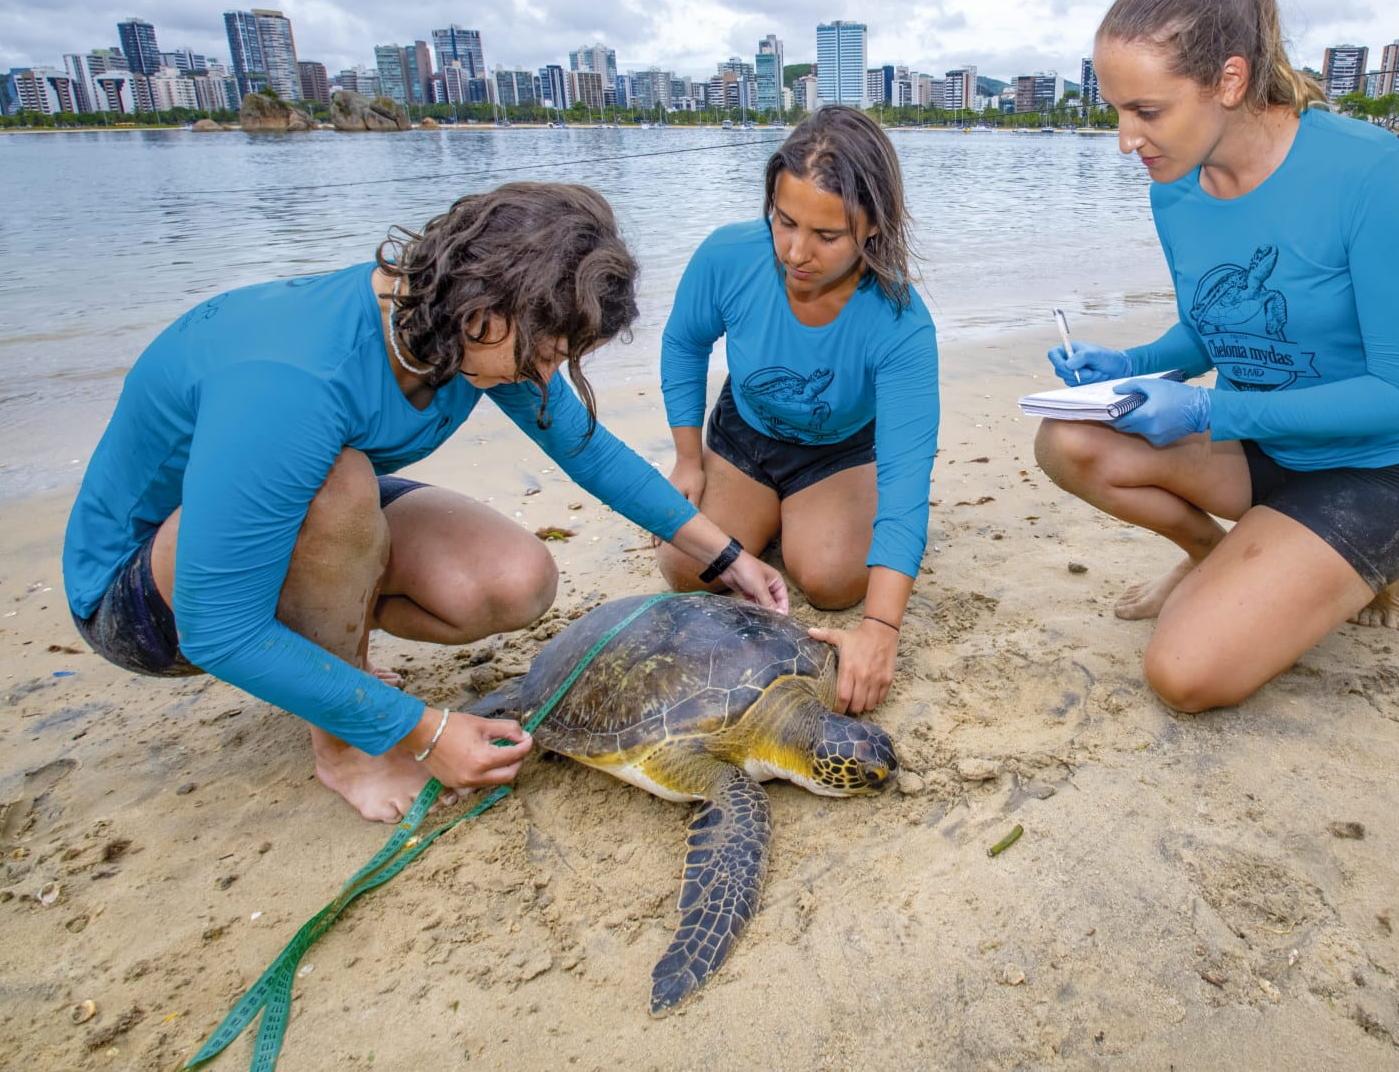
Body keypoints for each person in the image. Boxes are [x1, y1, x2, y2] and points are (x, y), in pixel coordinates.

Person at [62, 182, 789, 823]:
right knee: (339, 484)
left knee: (516, 577)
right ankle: (343, 746)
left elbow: (588, 450)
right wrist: (422, 730)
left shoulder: (458, 328)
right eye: (542, 353)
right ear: (484, 302)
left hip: (284, 519)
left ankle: (327, 658)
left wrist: (725, 555)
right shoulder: (294, 379)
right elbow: (215, 627)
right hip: (145, 600)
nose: (545, 371)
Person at [1032, 0, 1399, 713]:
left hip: (1377, 472)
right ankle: (1217, 556)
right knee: (1067, 438)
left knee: (1184, 674)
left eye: (1147, 111)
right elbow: (1210, 331)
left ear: (1229, 81)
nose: (1126, 139)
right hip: (1261, 451)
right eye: (1116, 111)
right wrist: (1127, 363)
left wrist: (1205, 413)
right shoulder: (1177, 188)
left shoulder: (1366, 169)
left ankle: (1358, 559)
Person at [658, 108, 940, 716]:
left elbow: (907, 480)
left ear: (871, 227)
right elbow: (684, 341)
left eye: (827, 236)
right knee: (685, 568)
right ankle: (767, 513)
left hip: (837, 451)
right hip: (745, 435)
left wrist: (882, 631)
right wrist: (687, 457)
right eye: (784, 222)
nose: (796, 252)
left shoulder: (901, 325)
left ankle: (799, 518)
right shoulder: (727, 256)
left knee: (836, 582)